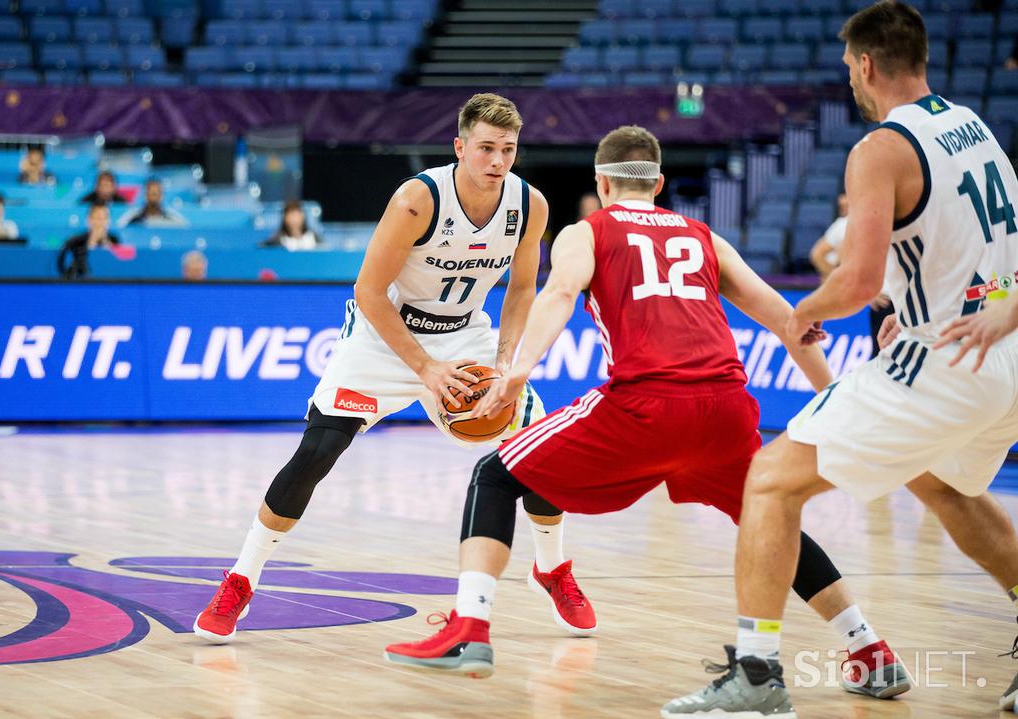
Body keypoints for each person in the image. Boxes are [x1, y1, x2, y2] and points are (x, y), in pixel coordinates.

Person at [383, 126, 908, 705]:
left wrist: (517, 373)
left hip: (646, 406)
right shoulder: (703, 234)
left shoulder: (587, 231)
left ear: (602, 183)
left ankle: (470, 630)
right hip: (728, 412)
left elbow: (557, 296)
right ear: (658, 184)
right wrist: (831, 395)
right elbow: (790, 322)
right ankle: (867, 648)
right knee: (771, 519)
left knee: (496, 473)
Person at [669, 2, 1018, 715]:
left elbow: (855, 280)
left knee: (768, 482)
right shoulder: (974, 126)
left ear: (864, 65)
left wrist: (805, 311)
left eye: (848, 68)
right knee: (943, 484)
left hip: (943, 361)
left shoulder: (880, 148)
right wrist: (913, 306)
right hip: (1002, 353)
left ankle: (757, 675)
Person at [193, 93, 598, 644]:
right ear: (460, 147)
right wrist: (425, 368)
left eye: (508, 149)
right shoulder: (418, 199)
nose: (498, 160)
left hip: (466, 332)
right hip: (387, 334)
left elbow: (523, 288)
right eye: (486, 148)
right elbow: (368, 291)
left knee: (539, 447)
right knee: (317, 452)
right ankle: (241, 579)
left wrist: (505, 364)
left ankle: (550, 568)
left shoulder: (530, 206)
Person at [811, 192, 893, 357]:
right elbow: (819, 255)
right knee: (884, 357)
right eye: (842, 196)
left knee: (885, 357)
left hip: (893, 299)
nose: (842, 201)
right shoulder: (847, 224)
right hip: (886, 300)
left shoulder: (867, 223)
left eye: (847, 196)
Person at [57, 202, 120, 279]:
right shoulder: (75, 241)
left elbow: (115, 264)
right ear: (88, 219)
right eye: (96, 218)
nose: (99, 222)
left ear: (108, 221)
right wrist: (91, 242)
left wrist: (105, 241)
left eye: (103, 218)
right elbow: (62, 265)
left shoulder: (115, 240)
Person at [117, 179, 188, 227]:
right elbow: (120, 227)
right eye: (151, 193)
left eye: (156, 194)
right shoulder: (132, 217)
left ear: (162, 195)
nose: (154, 197)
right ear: (145, 195)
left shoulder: (173, 217)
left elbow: (185, 229)